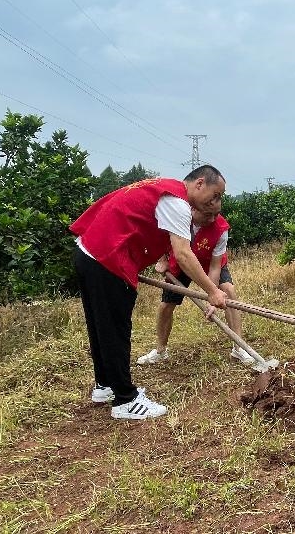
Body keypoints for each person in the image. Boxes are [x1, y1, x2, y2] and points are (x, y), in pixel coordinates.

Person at [71, 165, 227, 420]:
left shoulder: (164, 188)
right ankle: (125, 400)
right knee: (115, 330)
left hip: (89, 251)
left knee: (101, 327)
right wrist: (212, 291)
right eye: (216, 195)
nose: (216, 202)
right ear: (200, 183)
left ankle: (105, 385)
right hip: (106, 257)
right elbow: (183, 254)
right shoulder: (177, 203)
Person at [137, 209, 253, 366]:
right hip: (182, 263)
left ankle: (239, 348)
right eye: (208, 214)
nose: (212, 219)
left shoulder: (221, 228)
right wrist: (162, 259)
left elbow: (215, 267)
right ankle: (160, 351)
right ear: (193, 208)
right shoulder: (177, 216)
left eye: (215, 214)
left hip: (209, 263)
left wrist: (212, 297)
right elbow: (158, 236)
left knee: (228, 290)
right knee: (166, 306)